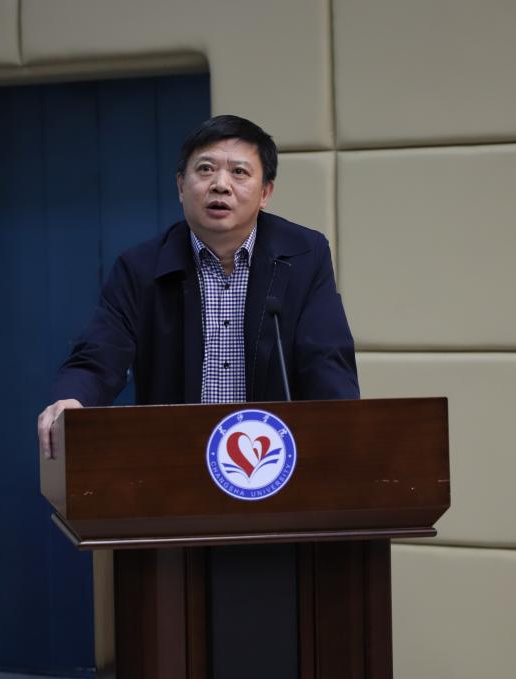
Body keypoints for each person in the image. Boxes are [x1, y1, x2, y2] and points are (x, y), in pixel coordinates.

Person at [37, 115, 358, 458]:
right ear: (181, 186)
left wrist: (344, 433)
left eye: (239, 172)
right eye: (205, 169)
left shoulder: (304, 256)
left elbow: (326, 358)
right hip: (178, 459)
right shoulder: (140, 268)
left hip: (275, 460)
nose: (220, 185)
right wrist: (73, 398)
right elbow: (100, 354)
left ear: (265, 192)